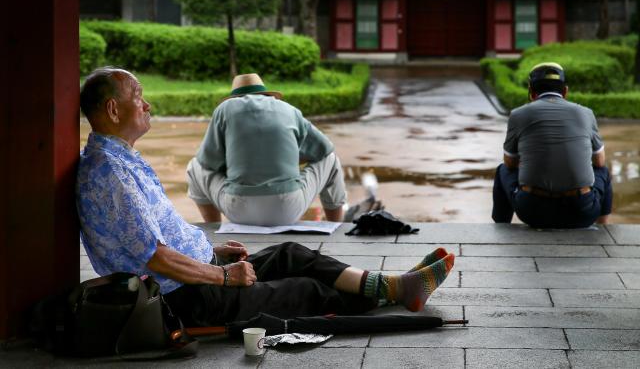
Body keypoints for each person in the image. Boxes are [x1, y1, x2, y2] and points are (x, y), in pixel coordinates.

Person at [76, 67, 455, 327]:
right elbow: (155, 256)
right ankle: (396, 290)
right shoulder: (111, 173)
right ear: (112, 109)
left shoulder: (120, 159)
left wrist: (211, 251)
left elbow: (200, 174)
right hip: (181, 298)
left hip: (199, 269)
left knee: (291, 253)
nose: (147, 104)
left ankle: (396, 286)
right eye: (138, 96)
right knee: (305, 291)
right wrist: (223, 276)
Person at [186, 73, 346, 226]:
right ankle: (336, 226)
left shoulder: (225, 109)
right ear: (267, 94)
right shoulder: (289, 109)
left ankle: (214, 228)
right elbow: (324, 149)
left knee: (195, 166)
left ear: (234, 97)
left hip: (239, 210)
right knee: (330, 159)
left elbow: (208, 161)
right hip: (287, 209)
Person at [492, 62, 613, 229]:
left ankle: (500, 228)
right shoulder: (586, 113)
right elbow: (599, 161)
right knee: (603, 171)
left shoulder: (518, 114)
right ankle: (604, 228)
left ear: (531, 93)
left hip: (533, 213)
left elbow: (509, 163)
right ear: (565, 91)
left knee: (502, 170)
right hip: (581, 213)